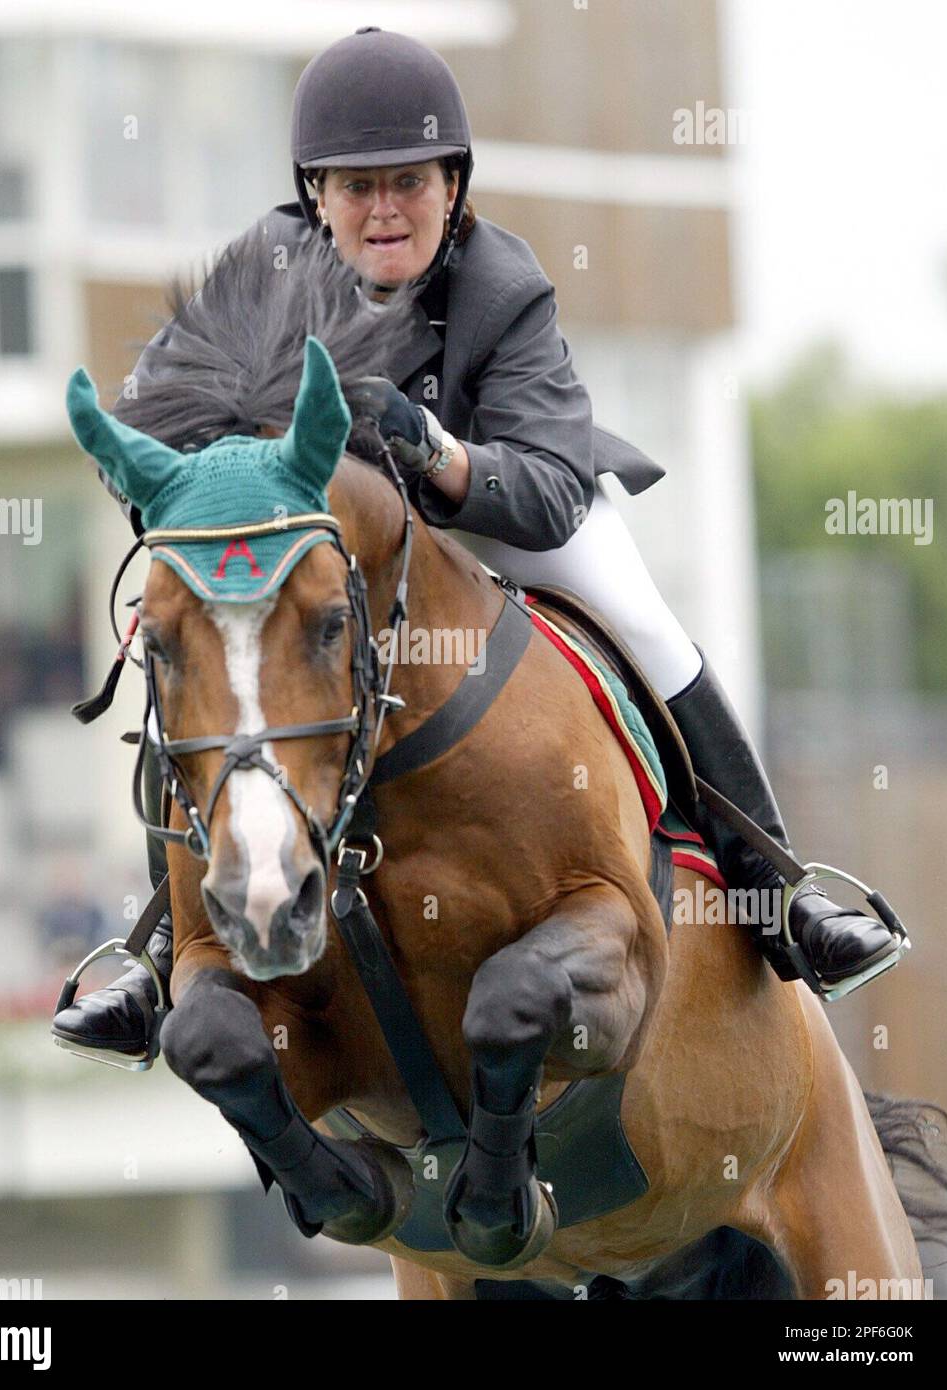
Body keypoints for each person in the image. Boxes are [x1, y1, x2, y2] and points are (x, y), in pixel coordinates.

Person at [53, 27, 901, 1063]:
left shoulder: (504, 284)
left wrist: (443, 454)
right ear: (313, 193)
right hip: (328, 556)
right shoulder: (261, 267)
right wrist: (187, 495)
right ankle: (155, 955)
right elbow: (139, 423)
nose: (382, 209)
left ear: (451, 186)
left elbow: (545, 492)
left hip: (495, 526)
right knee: (195, 657)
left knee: (639, 612)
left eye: (407, 181)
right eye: (354, 186)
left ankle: (779, 888)